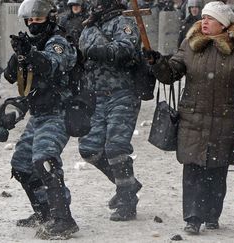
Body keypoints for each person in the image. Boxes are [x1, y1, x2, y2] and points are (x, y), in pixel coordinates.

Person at [145, 1, 234, 234]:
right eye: (204, 18)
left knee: (216, 171)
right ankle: (192, 218)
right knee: (192, 170)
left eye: (210, 18)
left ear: (224, 24)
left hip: (225, 119)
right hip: (192, 118)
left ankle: (212, 214)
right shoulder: (190, 44)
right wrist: (157, 62)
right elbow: (171, 74)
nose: (204, 21)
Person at [3, 0, 79, 239]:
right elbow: (9, 76)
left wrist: (31, 54)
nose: (33, 24)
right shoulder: (32, 42)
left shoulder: (58, 42)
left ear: (50, 18)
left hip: (59, 111)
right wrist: (20, 56)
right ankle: (44, 212)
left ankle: (63, 219)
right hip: (39, 113)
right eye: (29, 20)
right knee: (21, 165)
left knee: (44, 159)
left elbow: (51, 65)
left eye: (38, 19)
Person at [78, 0, 143, 221]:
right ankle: (128, 183)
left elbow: (125, 49)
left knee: (116, 147)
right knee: (89, 148)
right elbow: (80, 59)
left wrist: (99, 51)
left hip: (123, 93)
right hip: (96, 96)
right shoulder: (88, 27)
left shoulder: (124, 23)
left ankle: (126, 201)